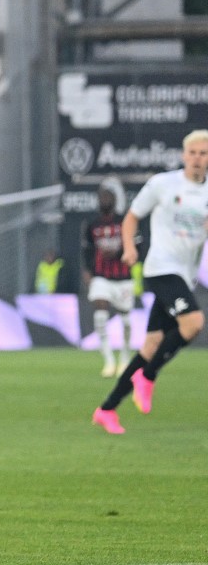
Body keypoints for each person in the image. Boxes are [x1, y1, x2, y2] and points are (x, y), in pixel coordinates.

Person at [92, 130, 208, 435]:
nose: (198, 158)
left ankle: (107, 409)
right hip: (160, 268)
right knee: (193, 323)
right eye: (193, 152)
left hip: (184, 275)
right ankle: (148, 376)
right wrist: (129, 247)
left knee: (151, 345)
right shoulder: (163, 184)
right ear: (184, 155)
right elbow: (131, 217)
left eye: (204, 153)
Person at [81, 181, 137, 378]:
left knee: (126, 321)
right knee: (101, 313)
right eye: (102, 197)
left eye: (108, 197)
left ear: (115, 201)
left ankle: (124, 357)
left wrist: (119, 251)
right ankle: (108, 360)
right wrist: (87, 270)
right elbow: (87, 249)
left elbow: (136, 245)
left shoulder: (124, 222)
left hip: (122, 277)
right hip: (101, 276)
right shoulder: (92, 224)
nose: (105, 200)